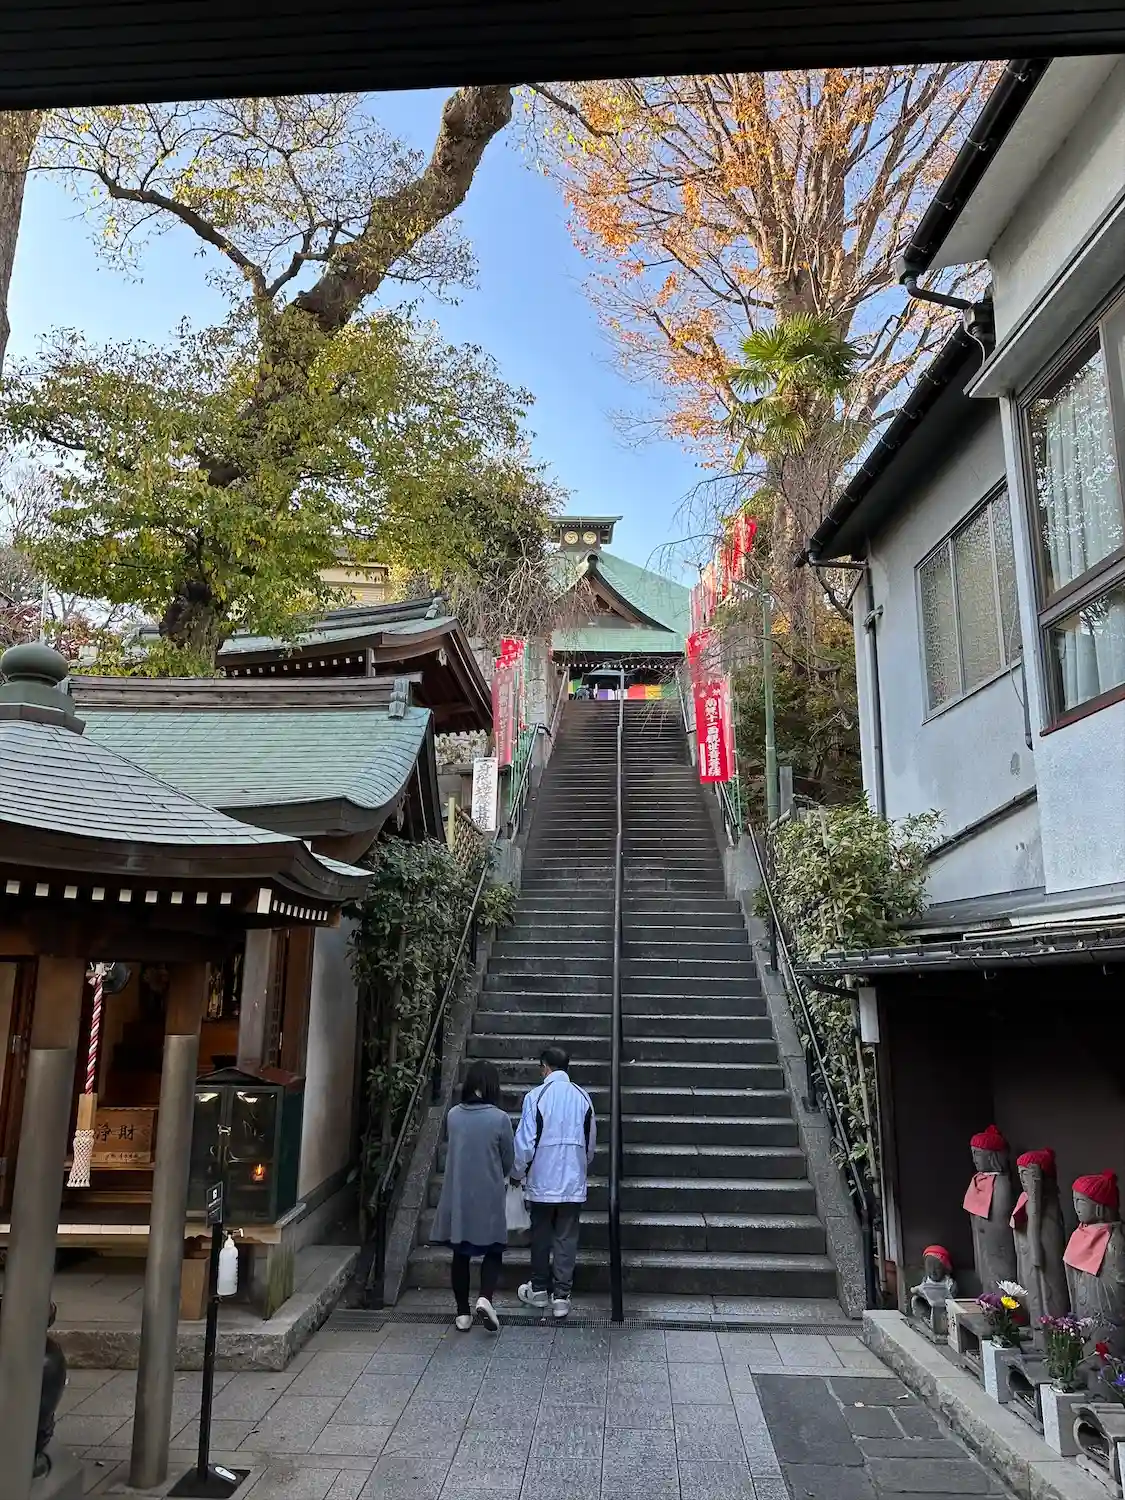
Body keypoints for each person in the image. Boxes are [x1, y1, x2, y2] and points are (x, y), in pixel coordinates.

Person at [511, 1044, 596, 1319]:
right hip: (572, 1180)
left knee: (541, 1235)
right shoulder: (583, 1097)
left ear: (545, 1067)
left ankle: (538, 1289)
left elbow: (525, 1143)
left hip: (542, 1180)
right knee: (566, 1237)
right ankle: (561, 1296)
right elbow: (590, 1143)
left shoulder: (536, 1096)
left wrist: (517, 1173)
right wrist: (581, 1166)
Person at [430, 1059, 513, 1331]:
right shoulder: (500, 1119)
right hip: (489, 1194)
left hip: (459, 1195)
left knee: (460, 1254)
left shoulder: (454, 1115)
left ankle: (462, 1313)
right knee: (494, 1249)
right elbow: (508, 1160)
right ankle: (485, 1298)